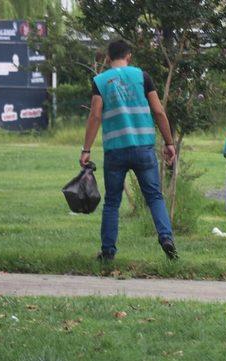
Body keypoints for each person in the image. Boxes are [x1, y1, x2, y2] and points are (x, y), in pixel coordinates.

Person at [80, 39, 178, 261]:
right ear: (129, 56)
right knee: (154, 197)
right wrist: (169, 143)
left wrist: (86, 149)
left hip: (116, 151)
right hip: (143, 147)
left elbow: (95, 115)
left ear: (107, 58)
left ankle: (107, 252)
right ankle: (166, 238)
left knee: (112, 202)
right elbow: (159, 111)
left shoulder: (100, 81)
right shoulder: (142, 77)